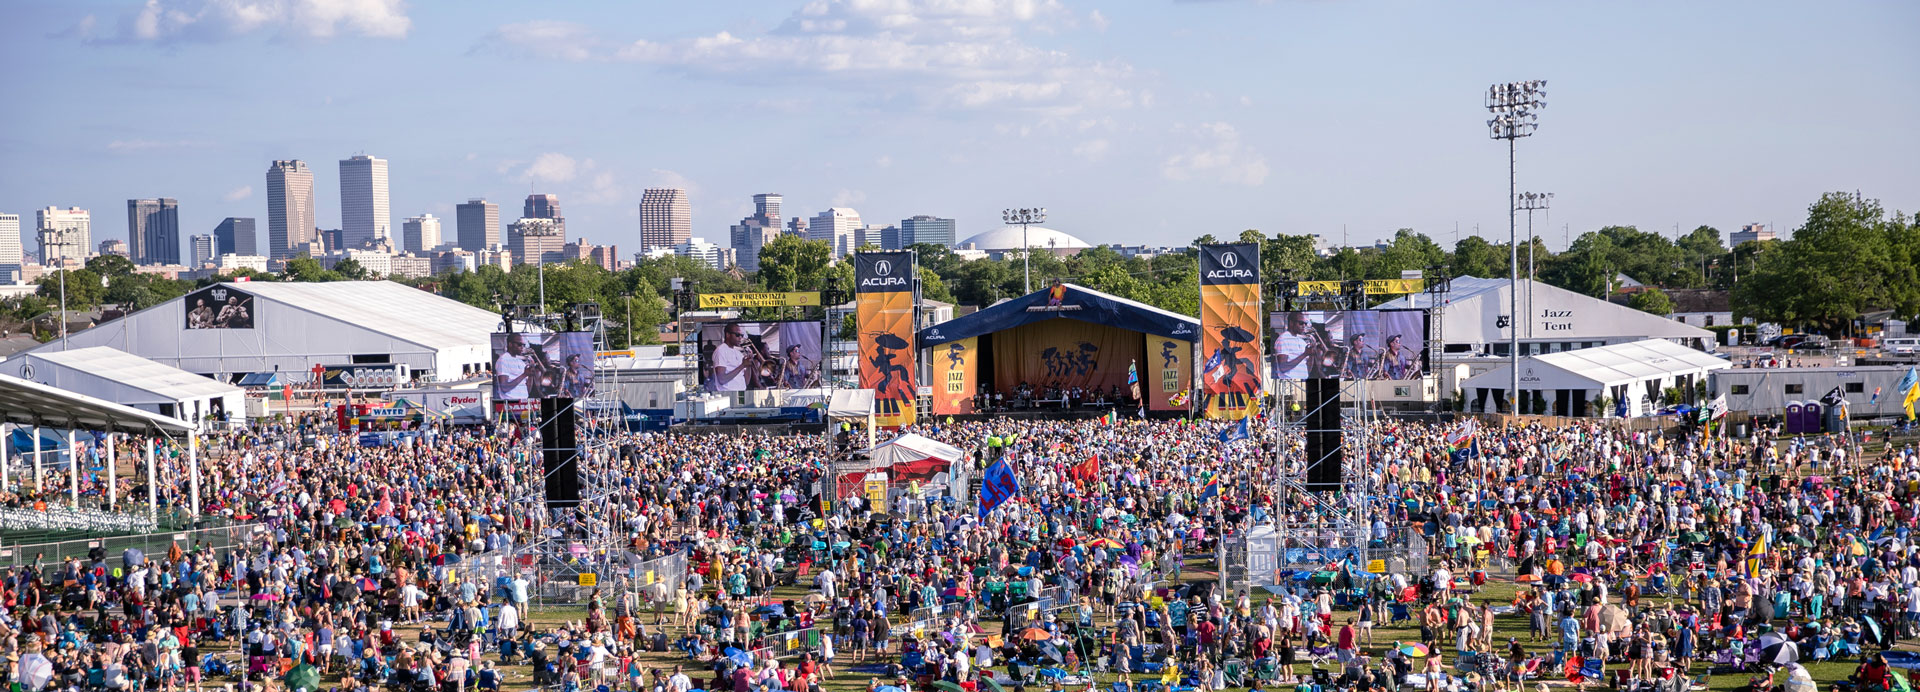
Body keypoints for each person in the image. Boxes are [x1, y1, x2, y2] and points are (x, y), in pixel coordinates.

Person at [709, 324, 760, 392]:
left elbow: (746, 382)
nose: (740, 338)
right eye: (737, 335)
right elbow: (722, 380)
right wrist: (742, 365)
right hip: (727, 394)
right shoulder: (721, 350)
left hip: (741, 392)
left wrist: (748, 365)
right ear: (728, 335)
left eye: (741, 335)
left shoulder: (738, 353)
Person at [494, 334, 534, 400]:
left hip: (524, 402)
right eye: (519, 344)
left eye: (523, 345)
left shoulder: (520, 362)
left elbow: (527, 390)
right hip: (510, 403)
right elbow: (504, 388)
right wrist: (524, 375)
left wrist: (531, 375)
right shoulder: (504, 360)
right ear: (510, 344)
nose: (522, 347)